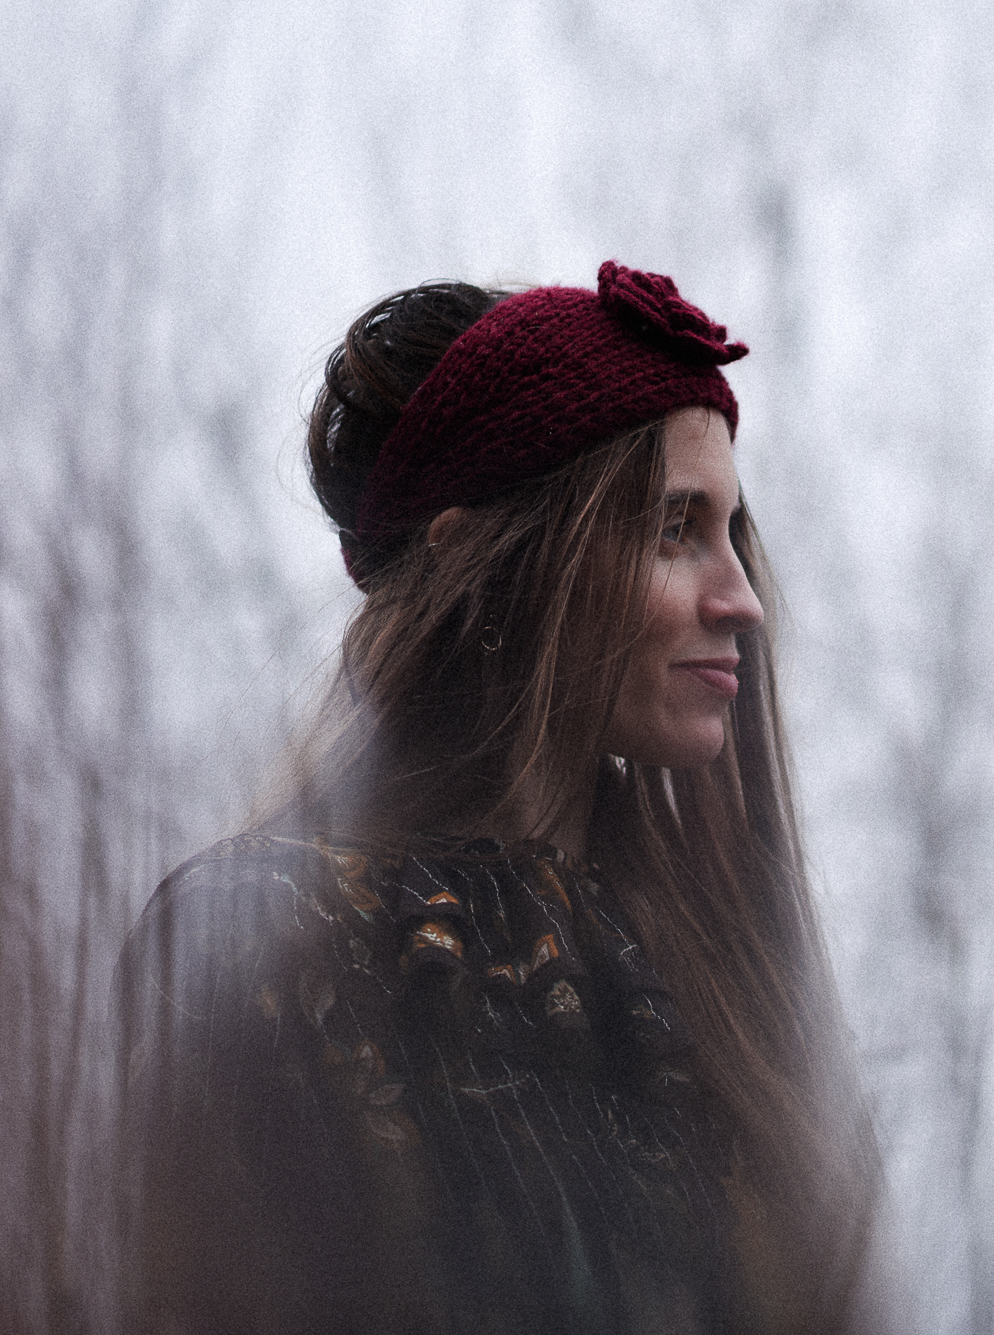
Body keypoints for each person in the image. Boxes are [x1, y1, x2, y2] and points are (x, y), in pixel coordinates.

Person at [118, 262, 875, 1334]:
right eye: (674, 527)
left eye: (731, 531)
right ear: (483, 567)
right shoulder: (260, 935)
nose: (741, 599)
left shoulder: (702, 974)